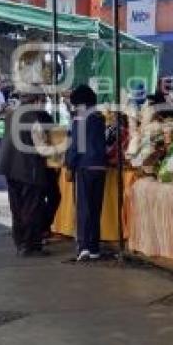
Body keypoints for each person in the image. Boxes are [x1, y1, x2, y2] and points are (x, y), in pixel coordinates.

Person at [0, 92, 56, 256]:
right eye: (43, 101)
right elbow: (41, 147)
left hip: (10, 167)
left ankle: (20, 243)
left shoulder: (10, 114)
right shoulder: (33, 119)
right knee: (32, 208)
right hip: (29, 169)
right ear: (36, 101)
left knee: (17, 208)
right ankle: (30, 246)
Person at [65, 84, 107, 261]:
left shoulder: (79, 118)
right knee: (96, 207)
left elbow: (76, 145)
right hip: (100, 166)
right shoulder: (99, 117)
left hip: (84, 166)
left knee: (84, 208)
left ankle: (84, 247)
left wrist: (69, 164)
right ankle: (95, 247)